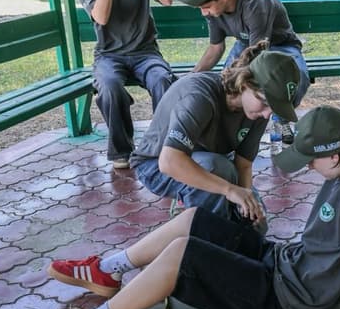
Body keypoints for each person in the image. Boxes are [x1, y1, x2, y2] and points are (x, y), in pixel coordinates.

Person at [17, 106, 340, 309]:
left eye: (310, 161)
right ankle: (111, 268)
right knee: (194, 219)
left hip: (286, 303)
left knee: (184, 254)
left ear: (335, 154)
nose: (307, 168)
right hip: (283, 263)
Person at [129, 42, 301, 223]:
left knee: (256, 224)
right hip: (156, 165)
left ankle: (211, 217)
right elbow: (169, 162)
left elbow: (243, 165)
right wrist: (229, 190)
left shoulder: (257, 111)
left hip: (208, 160)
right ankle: (201, 234)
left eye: (274, 108)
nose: (267, 114)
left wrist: (245, 207)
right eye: (265, 102)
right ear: (244, 83)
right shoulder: (199, 96)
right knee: (217, 169)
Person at [175, 0, 311, 144]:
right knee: (226, 84)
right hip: (246, 44)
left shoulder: (255, 5)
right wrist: (192, 76)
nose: (203, 12)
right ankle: (229, 129)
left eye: (206, 6)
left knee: (294, 79)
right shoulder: (213, 11)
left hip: (281, 45)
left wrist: (240, 75)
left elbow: (258, 57)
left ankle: (280, 118)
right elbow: (216, 48)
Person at [75, 0, 176, 169]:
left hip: (146, 52)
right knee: (110, 88)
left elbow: (167, 0)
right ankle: (122, 150)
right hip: (109, 55)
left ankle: (163, 145)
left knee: (163, 80)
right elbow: (100, 16)